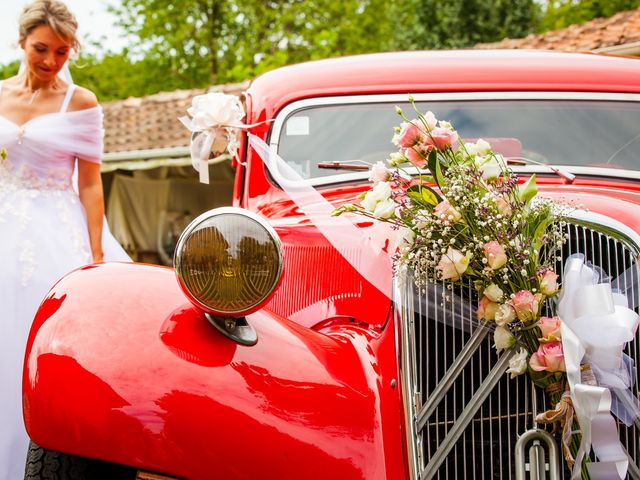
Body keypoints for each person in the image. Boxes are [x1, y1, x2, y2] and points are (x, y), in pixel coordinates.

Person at [0, 1, 130, 477]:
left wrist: (96, 254)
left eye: (62, 50)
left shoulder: (81, 101)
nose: (51, 61)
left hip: (57, 225)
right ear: (21, 42)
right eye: (41, 49)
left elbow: (91, 182)